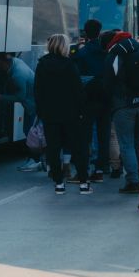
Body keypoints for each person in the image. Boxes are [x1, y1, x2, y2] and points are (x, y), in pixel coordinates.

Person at [34, 34, 90, 194]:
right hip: (71, 113)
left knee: (53, 148)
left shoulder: (42, 65)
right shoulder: (70, 65)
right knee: (77, 147)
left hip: (50, 114)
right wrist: (81, 111)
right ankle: (84, 183)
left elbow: (38, 91)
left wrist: (41, 111)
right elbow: (77, 91)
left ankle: (58, 183)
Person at [103, 30, 139, 194]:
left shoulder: (115, 53)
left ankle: (133, 181)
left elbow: (108, 82)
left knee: (126, 144)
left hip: (124, 105)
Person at [71, 19, 112, 182]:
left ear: (85, 33)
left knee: (85, 136)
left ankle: (83, 170)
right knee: (103, 134)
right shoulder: (107, 52)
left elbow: (77, 78)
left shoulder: (82, 53)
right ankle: (100, 169)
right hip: (106, 98)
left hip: (88, 99)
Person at [0, 54, 38, 171]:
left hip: (32, 107)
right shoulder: (16, 62)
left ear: (4, 62)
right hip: (34, 104)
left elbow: (21, 96)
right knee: (31, 132)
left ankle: (35, 161)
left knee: (30, 133)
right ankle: (35, 159)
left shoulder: (18, 75)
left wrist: (2, 97)